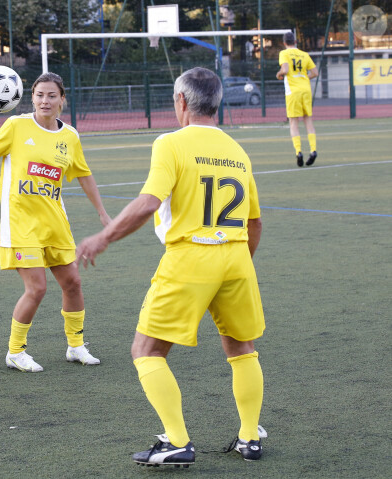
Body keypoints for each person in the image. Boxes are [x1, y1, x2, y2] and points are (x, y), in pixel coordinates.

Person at [76, 67, 266, 467]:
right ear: (218, 102)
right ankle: (250, 437)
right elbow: (255, 223)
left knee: (146, 350)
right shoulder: (237, 150)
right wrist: (235, 265)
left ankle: (177, 442)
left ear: (181, 101)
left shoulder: (171, 143)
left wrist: (103, 236)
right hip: (236, 258)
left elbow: (148, 201)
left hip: (190, 257)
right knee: (241, 349)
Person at [0, 72, 111, 373]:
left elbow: (83, 174)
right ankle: (15, 352)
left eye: (51, 95)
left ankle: (76, 346)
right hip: (21, 224)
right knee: (37, 288)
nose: (45, 100)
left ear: (62, 100)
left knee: (73, 283)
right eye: (40, 95)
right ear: (31, 97)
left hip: (55, 223)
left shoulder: (70, 136)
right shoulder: (16, 126)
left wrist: (102, 213)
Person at [276, 31, 319, 167]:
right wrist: (304, 77)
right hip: (305, 90)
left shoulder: (284, 53)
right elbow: (315, 73)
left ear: (284, 43)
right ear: (295, 42)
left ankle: (298, 152)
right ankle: (313, 150)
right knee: (308, 121)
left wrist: (279, 74)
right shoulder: (304, 54)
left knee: (293, 123)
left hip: (293, 92)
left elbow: (286, 69)